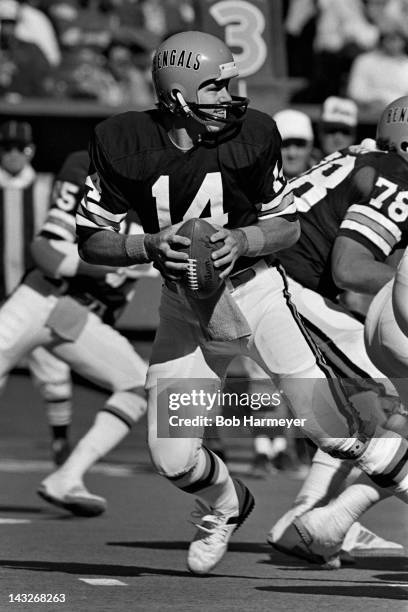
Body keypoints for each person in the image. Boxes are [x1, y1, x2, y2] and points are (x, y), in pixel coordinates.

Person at [76, 31, 408, 575]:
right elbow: (91, 239)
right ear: (178, 94)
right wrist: (148, 244)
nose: (230, 95)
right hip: (185, 304)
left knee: (337, 428)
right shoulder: (122, 141)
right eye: (216, 85)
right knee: (173, 458)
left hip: (257, 293)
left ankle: (336, 505)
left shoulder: (252, 134)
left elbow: (286, 226)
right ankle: (228, 506)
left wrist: (244, 240)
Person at [269, 95, 408, 564]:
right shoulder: (396, 174)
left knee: (383, 406)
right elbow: (350, 268)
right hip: (284, 283)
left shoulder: (363, 158)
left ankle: (319, 521)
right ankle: (320, 520)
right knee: (387, 401)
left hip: (280, 277)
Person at [0, 148, 148, 515]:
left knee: (137, 384)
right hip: (41, 295)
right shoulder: (86, 167)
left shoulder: (174, 199)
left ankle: (67, 478)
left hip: (80, 316)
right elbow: (46, 250)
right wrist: (117, 260)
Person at [0, 119, 73, 465]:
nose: (13, 155)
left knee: (54, 371)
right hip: (3, 299)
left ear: (30, 150)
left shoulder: (47, 188)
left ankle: (61, 444)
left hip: (41, 296)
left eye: (20, 148)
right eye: (6, 148)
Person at [273, 109, 316, 178]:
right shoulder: (257, 186)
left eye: (299, 144)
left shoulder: (330, 181)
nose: (292, 154)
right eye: (284, 145)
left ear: (310, 146)